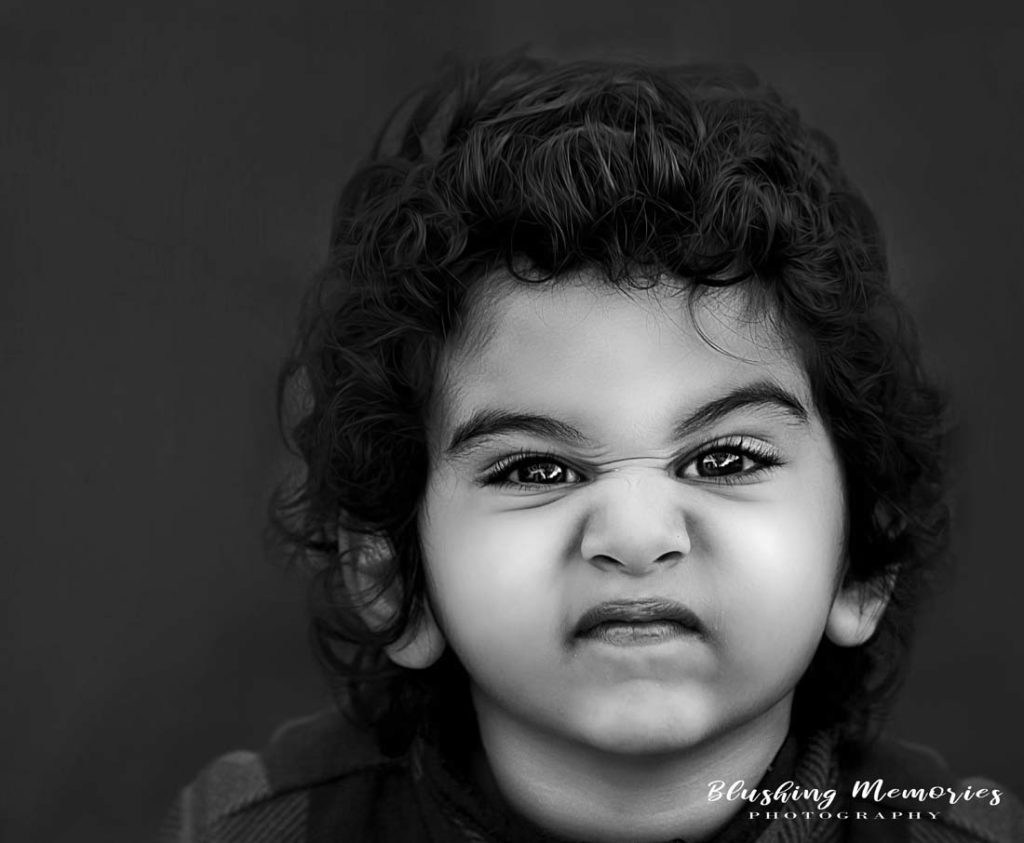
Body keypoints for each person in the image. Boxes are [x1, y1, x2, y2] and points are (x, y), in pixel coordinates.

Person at [160, 55, 1023, 842]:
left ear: (862, 560)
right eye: (536, 468)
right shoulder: (249, 829)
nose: (638, 535)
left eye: (725, 459)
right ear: (390, 576)